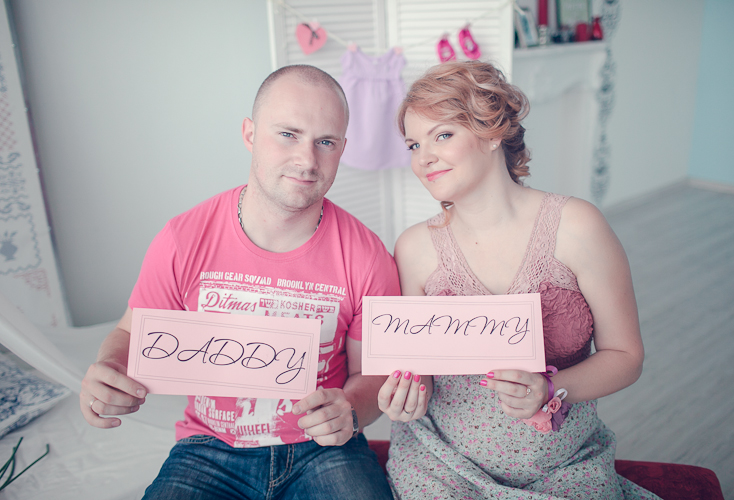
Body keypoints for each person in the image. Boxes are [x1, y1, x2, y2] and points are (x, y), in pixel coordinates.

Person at [79, 64, 399, 500]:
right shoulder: (183, 238)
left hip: (326, 449)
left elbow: (371, 373)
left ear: (342, 148)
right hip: (209, 447)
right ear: (250, 134)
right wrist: (110, 371)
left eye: (325, 142)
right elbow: (129, 334)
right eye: (287, 134)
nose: (307, 160)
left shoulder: (366, 254)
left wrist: (352, 409)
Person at [377, 61, 660, 499]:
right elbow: (421, 373)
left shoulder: (577, 226)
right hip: (440, 464)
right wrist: (406, 394)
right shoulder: (414, 248)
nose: (423, 158)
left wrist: (551, 388)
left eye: (442, 135)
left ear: (492, 132)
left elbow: (626, 356)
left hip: (563, 464)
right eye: (414, 144)